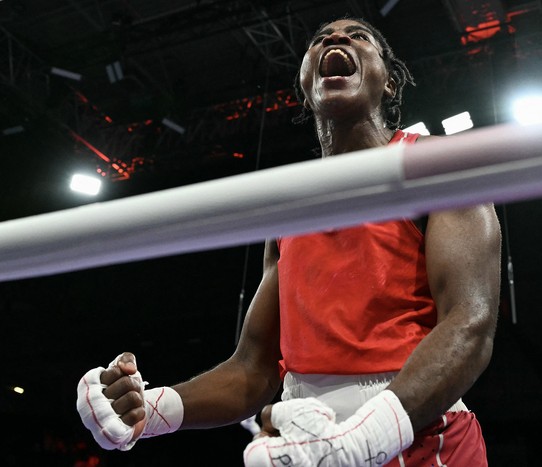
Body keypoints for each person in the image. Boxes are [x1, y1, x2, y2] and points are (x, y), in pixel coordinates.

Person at [76, 16, 502, 466]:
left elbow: (469, 323)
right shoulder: (287, 208)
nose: (335, 39)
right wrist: (152, 410)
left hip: (419, 436)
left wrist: (364, 439)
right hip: (305, 440)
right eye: (320, 39)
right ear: (305, 84)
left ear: (390, 83)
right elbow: (253, 369)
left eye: (359, 36)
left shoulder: (440, 163)